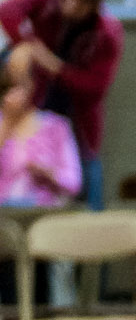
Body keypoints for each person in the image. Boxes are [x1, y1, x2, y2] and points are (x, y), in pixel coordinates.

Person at [0, 0, 122, 206]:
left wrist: (53, 66)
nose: (71, 3)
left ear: (95, 4)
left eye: (81, 1)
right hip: (37, 110)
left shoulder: (106, 33)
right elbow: (7, 10)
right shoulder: (47, 1)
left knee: (84, 182)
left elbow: (95, 87)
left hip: (77, 121)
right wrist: (27, 45)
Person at [0, 44, 81, 207]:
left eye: (17, 86)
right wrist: (6, 126)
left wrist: (49, 174)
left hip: (43, 211)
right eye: (5, 89)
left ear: (33, 85)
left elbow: (74, 183)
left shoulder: (56, 126)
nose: (10, 96)